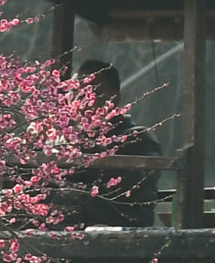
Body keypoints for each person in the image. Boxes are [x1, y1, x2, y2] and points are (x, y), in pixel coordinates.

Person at [68, 58, 166, 224]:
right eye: (75, 93)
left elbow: (137, 186)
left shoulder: (138, 138)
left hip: (121, 225)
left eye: (92, 93)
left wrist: (87, 150)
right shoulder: (59, 138)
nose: (81, 101)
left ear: (114, 99)